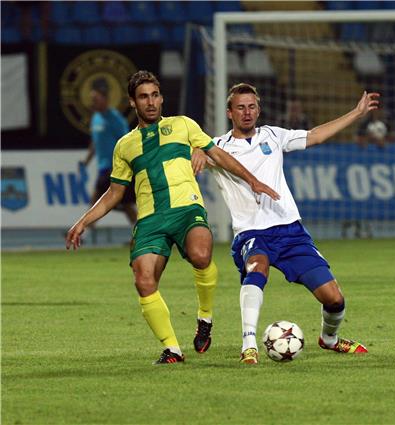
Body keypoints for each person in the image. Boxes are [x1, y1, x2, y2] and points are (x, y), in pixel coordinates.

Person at [66, 71, 279, 365]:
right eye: (143, 97)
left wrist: (252, 180)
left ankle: (205, 317)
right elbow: (115, 192)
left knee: (201, 255)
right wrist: (83, 221)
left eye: (155, 95)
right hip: (151, 220)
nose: (151, 102)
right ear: (132, 102)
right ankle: (172, 349)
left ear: (162, 98)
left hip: (187, 210)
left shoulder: (183, 125)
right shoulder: (125, 146)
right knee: (143, 280)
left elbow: (217, 153)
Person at [194, 83, 379, 364]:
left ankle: (329, 340)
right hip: (252, 233)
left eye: (252, 106)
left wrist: (356, 113)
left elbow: (315, 136)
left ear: (259, 109)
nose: (247, 112)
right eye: (241, 107)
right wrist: (195, 150)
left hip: (291, 231)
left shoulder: (273, 135)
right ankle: (249, 344)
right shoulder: (217, 147)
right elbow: (185, 159)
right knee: (258, 267)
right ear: (229, 112)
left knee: (335, 300)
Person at [81, 78, 137, 226]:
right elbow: (95, 142)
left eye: (95, 99)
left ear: (105, 99)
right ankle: (140, 234)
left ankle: (83, 232)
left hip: (114, 168)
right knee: (124, 204)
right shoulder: (96, 118)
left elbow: (127, 141)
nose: (93, 102)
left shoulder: (116, 119)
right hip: (103, 167)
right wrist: (87, 160)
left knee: (98, 200)